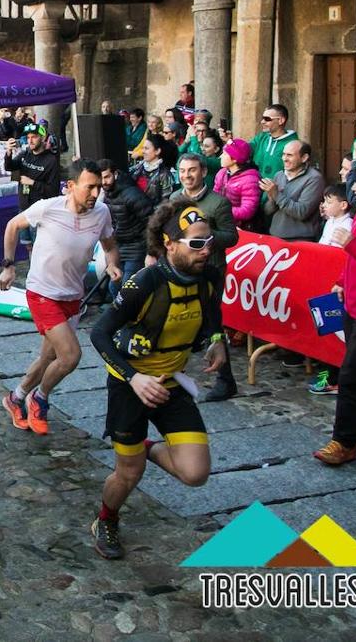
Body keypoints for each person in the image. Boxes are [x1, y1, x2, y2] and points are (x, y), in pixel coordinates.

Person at [88, 199, 224, 559]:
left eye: (209, 241)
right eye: (196, 243)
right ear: (170, 243)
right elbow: (99, 334)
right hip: (129, 384)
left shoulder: (209, 275)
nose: (205, 250)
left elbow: (213, 311)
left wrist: (216, 340)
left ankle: (148, 449)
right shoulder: (144, 282)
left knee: (196, 474)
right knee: (127, 474)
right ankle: (107, 518)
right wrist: (134, 379)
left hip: (171, 382)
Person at [0, 160, 122, 434]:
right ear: (70, 187)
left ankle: (15, 397)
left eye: (99, 188)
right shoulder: (48, 208)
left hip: (72, 296)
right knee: (70, 356)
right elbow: (12, 226)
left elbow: (110, 246)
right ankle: (39, 399)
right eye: (89, 187)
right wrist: (8, 266)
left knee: (47, 359)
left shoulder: (101, 213)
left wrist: (112, 264)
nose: (95, 194)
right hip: (42, 292)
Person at [313, 159, 356, 464]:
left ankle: (344, 441)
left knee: (352, 376)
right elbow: (354, 261)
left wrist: (354, 245)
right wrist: (342, 282)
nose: (353, 188)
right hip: (354, 305)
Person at [169, 153, 240, 401]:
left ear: (203, 172)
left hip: (211, 269)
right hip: (183, 268)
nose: (187, 176)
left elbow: (231, 237)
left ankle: (225, 380)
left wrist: (203, 236)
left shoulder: (217, 203)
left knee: (211, 321)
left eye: (192, 171)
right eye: (183, 171)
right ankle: (173, 372)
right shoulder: (174, 198)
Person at [307, 184, 354, 397]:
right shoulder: (329, 223)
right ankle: (328, 374)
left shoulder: (349, 225)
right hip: (323, 284)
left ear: (343, 205)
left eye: (329, 201)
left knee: (339, 335)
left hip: (340, 288)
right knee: (326, 333)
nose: (324, 205)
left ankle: (336, 378)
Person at [99, 160, 154, 294]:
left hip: (136, 247)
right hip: (118, 247)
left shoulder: (131, 194)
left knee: (127, 289)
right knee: (114, 287)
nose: (104, 182)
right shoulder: (105, 194)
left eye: (107, 177)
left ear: (115, 174)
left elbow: (152, 222)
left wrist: (151, 251)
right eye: (100, 178)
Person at [262, 140, 324, 242]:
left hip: (300, 240)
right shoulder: (279, 175)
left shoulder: (314, 179)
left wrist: (277, 195)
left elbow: (301, 212)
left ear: (304, 158)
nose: (284, 159)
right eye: (283, 154)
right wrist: (271, 199)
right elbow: (268, 211)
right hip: (276, 237)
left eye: (289, 155)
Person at [5, 124, 61, 214]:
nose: (30, 141)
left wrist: (32, 183)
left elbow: (53, 191)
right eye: (28, 137)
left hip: (40, 211)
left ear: (43, 138)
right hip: (23, 208)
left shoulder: (51, 161)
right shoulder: (25, 153)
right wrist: (8, 152)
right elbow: (9, 167)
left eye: (34, 137)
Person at [213, 139, 262, 231]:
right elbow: (215, 196)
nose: (220, 156)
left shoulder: (250, 179)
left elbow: (247, 211)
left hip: (242, 229)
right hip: (222, 222)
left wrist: (223, 210)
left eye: (224, 154)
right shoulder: (222, 173)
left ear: (235, 159)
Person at [249, 104, 296, 182]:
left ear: (281, 120)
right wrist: (229, 141)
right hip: (254, 190)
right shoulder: (261, 138)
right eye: (262, 118)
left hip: (277, 191)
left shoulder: (293, 145)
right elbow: (242, 152)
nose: (262, 122)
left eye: (267, 119)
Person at [131, 134, 177, 206]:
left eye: (146, 148)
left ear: (157, 151)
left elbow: (166, 202)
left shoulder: (165, 174)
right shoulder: (137, 169)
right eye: (143, 148)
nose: (143, 151)